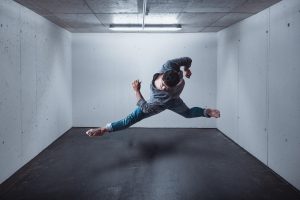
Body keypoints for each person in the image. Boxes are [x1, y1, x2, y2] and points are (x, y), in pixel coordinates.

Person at [86, 57, 220, 137]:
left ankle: (206, 112)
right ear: (166, 74)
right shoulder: (169, 65)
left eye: (167, 88)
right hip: (171, 97)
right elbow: (188, 59)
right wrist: (186, 69)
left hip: (166, 103)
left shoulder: (160, 97)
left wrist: (136, 90)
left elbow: (144, 107)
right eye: (163, 85)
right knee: (130, 120)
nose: (163, 88)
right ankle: (104, 129)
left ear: (175, 85)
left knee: (188, 114)